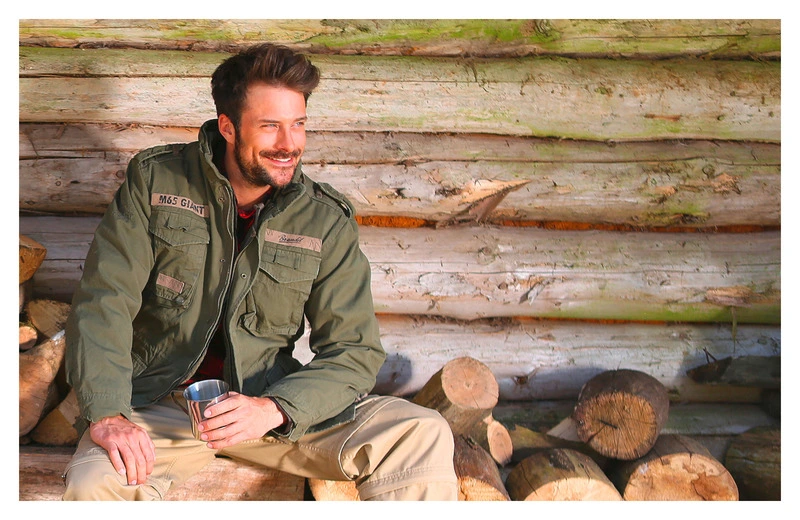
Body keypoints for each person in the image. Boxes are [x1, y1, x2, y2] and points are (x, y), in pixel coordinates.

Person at [62, 43, 458, 501]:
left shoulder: (324, 219)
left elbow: (354, 351)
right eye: (270, 126)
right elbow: (104, 302)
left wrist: (274, 408)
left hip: (272, 410)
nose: (289, 144)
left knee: (421, 433)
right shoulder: (156, 182)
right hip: (163, 407)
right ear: (228, 127)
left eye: (298, 124)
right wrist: (108, 414)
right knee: (94, 484)